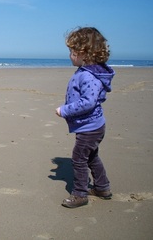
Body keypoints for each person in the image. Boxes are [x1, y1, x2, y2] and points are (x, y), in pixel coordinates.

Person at [55, 27, 115, 208]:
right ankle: (102, 188)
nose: (70, 56)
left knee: (79, 158)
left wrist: (64, 110)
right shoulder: (86, 71)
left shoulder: (89, 76)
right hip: (90, 125)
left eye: (72, 52)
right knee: (91, 156)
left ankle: (80, 194)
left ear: (83, 53)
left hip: (90, 127)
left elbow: (87, 102)